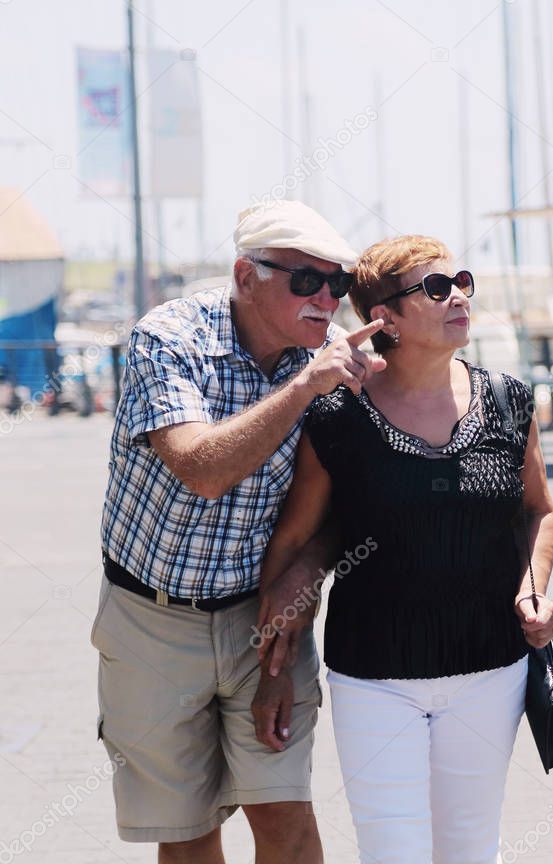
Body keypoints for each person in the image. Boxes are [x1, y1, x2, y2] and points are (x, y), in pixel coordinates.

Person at [92, 199, 386, 864]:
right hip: (150, 622)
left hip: (263, 620)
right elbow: (202, 469)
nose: (326, 299)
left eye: (335, 284)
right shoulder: (167, 339)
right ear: (246, 275)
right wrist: (305, 388)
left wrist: (297, 605)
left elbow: (332, 515)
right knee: (188, 832)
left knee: (286, 815)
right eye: (305, 281)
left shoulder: (330, 366)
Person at [253, 234, 553, 863]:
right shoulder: (336, 414)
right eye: (437, 288)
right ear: (383, 318)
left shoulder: (508, 400)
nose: (459, 298)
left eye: (463, 282)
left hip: (490, 668)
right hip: (374, 677)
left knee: (470, 851)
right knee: (393, 852)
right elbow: (295, 540)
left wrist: (533, 593)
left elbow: (539, 510)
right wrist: (272, 671)